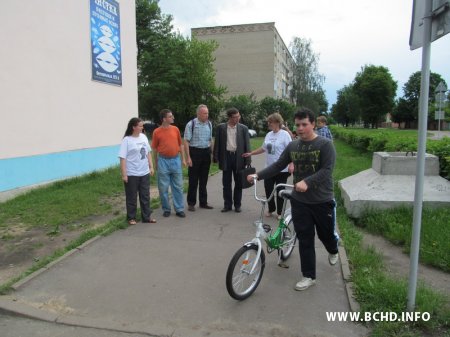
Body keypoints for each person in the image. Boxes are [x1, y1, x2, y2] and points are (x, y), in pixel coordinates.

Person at [248, 108, 339, 291]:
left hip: (322, 200)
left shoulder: (325, 145)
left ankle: (333, 249)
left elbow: (327, 170)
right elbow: (278, 165)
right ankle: (309, 276)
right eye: (298, 125)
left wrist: (307, 181)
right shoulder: (293, 146)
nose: (300, 128)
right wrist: (259, 175)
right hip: (300, 201)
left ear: (313, 124)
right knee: (305, 239)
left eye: (304, 124)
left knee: (326, 235)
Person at [242, 113, 292, 219]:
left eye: (271, 122)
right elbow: (263, 148)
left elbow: (291, 151)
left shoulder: (285, 134)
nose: (268, 124)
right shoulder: (269, 134)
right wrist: (251, 153)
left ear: (277, 122)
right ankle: (271, 209)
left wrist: (292, 164)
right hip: (269, 168)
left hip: (282, 169)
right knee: (268, 188)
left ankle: (280, 212)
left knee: (280, 190)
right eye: (268, 122)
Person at [213, 107, 251, 213]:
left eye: (238, 116)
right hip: (226, 157)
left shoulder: (243, 128)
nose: (238, 118)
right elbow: (217, 143)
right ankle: (227, 205)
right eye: (235, 117)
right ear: (229, 117)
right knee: (226, 183)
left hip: (239, 158)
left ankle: (237, 205)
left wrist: (248, 160)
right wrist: (215, 157)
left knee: (238, 183)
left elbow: (247, 145)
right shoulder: (221, 128)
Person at [119, 117, 155, 225]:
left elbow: (148, 152)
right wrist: (124, 174)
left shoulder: (143, 137)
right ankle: (131, 218)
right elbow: (122, 158)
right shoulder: (127, 140)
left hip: (144, 172)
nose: (142, 127)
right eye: (140, 126)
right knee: (131, 197)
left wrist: (151, 166)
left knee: (145, 196)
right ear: (133, 127)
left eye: (142, 125)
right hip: (132, 173)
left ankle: (146, 217)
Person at [151, 109, 187, 218]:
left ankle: (179, 209)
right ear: (164, 119)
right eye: (170, 116)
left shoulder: (175, 129)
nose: (173, 118)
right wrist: (155, 163)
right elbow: (154, 149)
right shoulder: (156, 132)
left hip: (175, 160)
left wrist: (183, 159)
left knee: (178, 186)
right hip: (163, 161)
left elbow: (180, 145)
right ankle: (166, 209)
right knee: (163, 187)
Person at [184, 104, 214, 211]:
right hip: (194, 153)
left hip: (206, 153)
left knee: (204, 179)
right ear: (199, 114)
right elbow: (186, 142)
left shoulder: (209, 124)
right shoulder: (191, 124)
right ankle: (191, 203)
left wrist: (212, 153)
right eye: (205, 113)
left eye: (207, 113)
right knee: (193, 180)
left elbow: (210, 140)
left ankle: (203, 202)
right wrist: (188, 157)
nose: (207, 115)